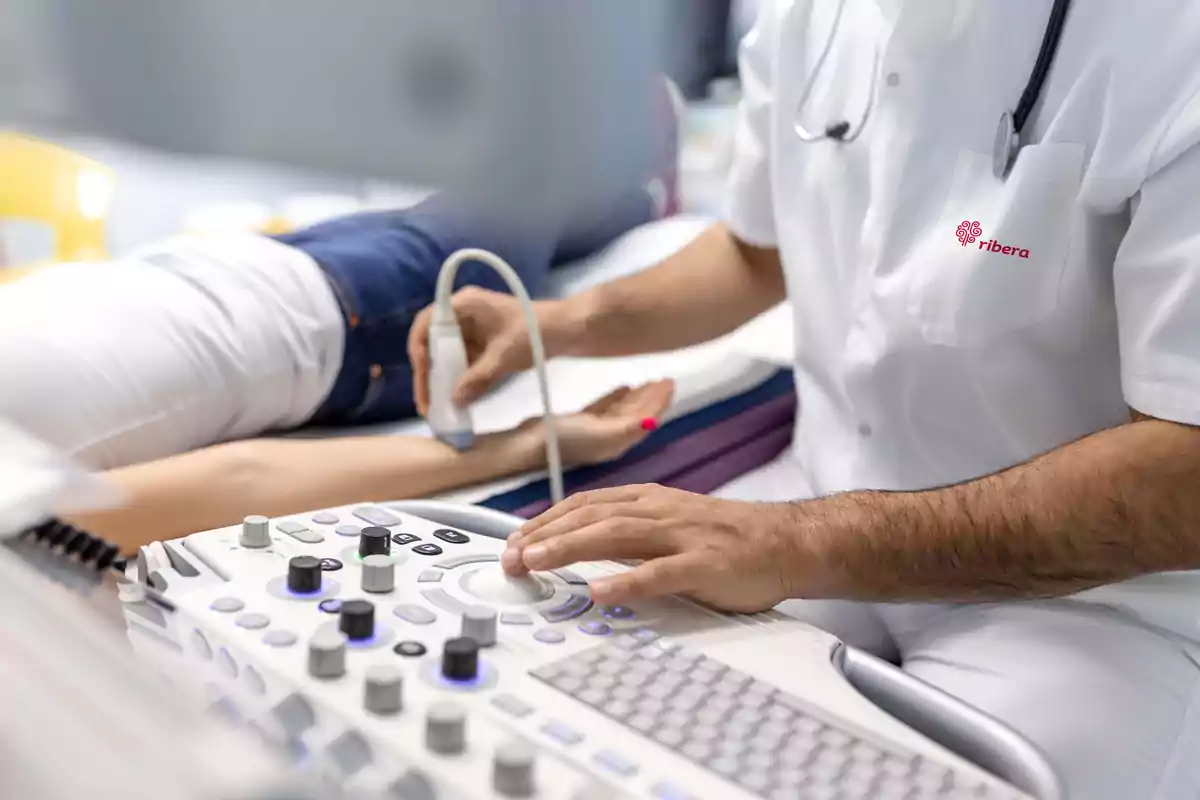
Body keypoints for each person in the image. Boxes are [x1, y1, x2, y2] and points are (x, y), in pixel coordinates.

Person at [408, 3, 1200, 798]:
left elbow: (1183, 471)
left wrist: (800, 542)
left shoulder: (1170, 46)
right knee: (556, 718)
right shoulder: (809, 14)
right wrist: (559, 323)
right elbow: (755, 252)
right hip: (812, 504)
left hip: (1094, 604)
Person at [0, 79, 682, 473]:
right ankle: (646, 168)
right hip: (356, 321)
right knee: (525, 190)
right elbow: (242, 478)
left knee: (500, 207)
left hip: (236, 262)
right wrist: (526, 445)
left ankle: (637, 193)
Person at [58, 379, 672, 553]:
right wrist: (527, 444)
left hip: (301, 291)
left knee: (564, 196)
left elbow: (241, 478)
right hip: (327, 308)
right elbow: (244, 482)